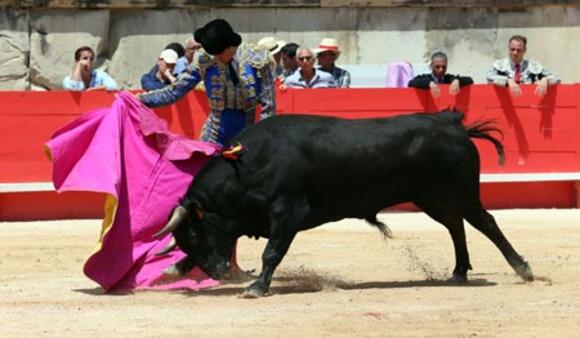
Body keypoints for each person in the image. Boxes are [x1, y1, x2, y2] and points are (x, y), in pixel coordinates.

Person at [138, 19, 277, 277]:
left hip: (246, 137)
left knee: (234, 201)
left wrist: (258, 145)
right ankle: (189, 256)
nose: (214, 58)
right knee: (198, 199)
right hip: (213, 134)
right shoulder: (205, 59)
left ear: (230, 47)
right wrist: (141, 100)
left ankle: (229, 263)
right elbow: (174, 92)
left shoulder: (259, 59)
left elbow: (269, 107)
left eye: (218, 54)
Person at [487, 35, 560, 97]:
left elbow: (557, 79)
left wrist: (545, 80)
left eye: (519, 50)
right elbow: (489, 78)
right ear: (508, 48)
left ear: (525, 50)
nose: (515, 53)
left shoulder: (533, 66)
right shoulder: (499, 65)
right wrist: (507, 81)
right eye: (512, 49)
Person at [408, 51, 473, 97]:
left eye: (443, 67)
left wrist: (457, 81)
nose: (441, 70)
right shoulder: (425, 78)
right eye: (437, 67)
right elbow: (411, 83)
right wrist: (429, 83)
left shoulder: (449, 79)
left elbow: (470, 80)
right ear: (431, 66)